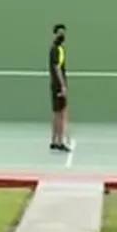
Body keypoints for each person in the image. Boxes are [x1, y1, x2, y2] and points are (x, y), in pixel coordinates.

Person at [48, 23, 71, 152]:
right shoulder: (57, 49)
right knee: (60, 114)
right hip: (57, 86)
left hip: (55, 85)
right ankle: (59, 141)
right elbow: (57, 68)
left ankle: (54, 141)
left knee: (56, 113)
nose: (62, 35)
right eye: (59, 33)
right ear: (54, 34)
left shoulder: (56, 49)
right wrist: (63, 85)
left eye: (63, 33)